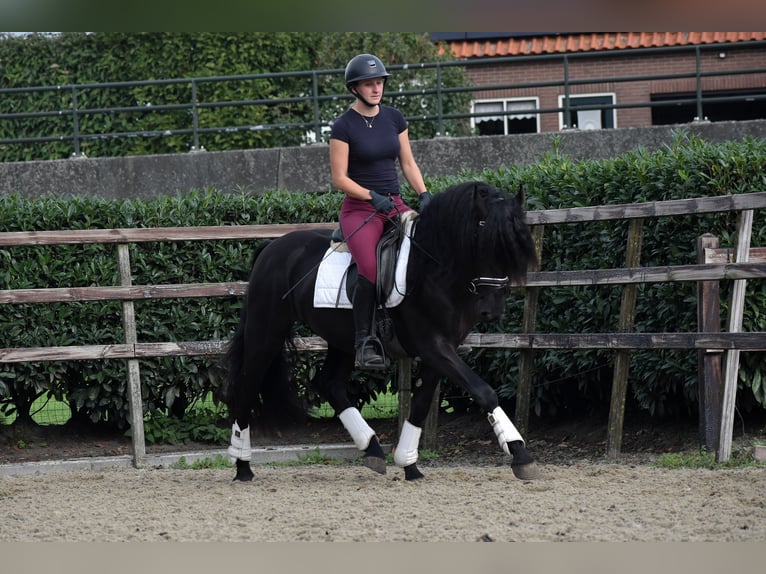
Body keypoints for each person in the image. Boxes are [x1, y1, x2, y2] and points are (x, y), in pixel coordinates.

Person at [329, 53, 431, 370]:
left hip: (395, 203)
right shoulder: (343, 126)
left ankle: (434, 332)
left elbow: (408, 163)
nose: (376, 88)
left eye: (379, 82)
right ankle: (364, 343)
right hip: (360, 210)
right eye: (369, 84)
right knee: (371, 271)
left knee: (428, 254)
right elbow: (339, 179)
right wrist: (372, 197)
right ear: (355, 88)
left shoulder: (394, 118)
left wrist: (424, 194)